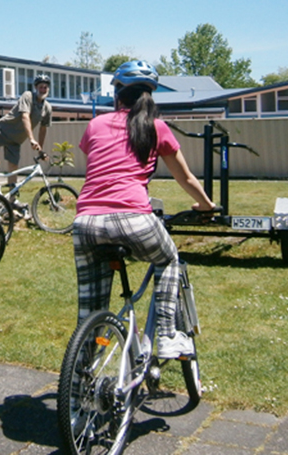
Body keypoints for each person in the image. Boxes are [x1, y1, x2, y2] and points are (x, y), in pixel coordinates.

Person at [72, 60, 215, 359]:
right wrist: (206, 205)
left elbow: (95, 169)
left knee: (90, 310)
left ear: (117, 95)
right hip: (133, 218)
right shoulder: (156, 127)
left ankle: (82, 374)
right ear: (149, 96)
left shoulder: (95, 124)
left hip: (85, 222)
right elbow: (186, 178)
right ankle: (167, 335)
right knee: (169, 259)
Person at [0, 74, 52, 213]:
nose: (43, 89)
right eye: (40, 87)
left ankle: (11, 200)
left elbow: (43, 129)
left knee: (13, 168)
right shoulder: (28, 96)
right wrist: (31, 139)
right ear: (36, 87)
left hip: (15, 140)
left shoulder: (47, 108)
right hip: (2, 130)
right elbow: (25, 116)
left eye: (45, 87)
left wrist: (40, 149)